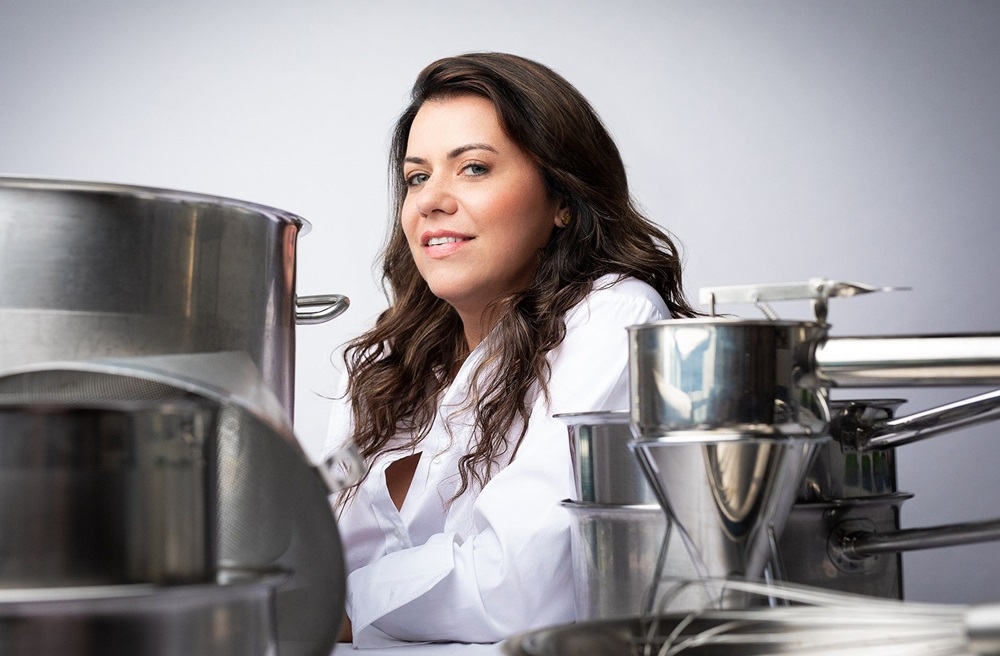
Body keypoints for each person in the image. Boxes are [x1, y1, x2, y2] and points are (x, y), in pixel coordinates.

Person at [322, 51, 699, 648]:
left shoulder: (613, 316)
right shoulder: (388, 362)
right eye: (417, 177)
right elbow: (304, 554)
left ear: (562, 199)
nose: (430, 200)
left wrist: (333, 606)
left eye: (473, 168)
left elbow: (518, 586)